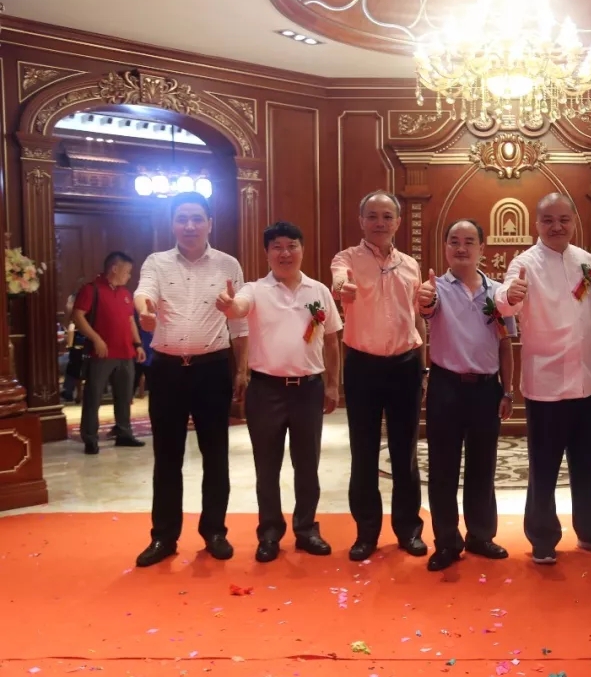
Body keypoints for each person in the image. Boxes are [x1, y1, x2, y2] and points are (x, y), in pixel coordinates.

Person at [495, 192, 591, 564]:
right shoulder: (524, 264)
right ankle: (542, 536)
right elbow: (505, 302)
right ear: (537, 224)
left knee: (587, 465)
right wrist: (510, 295)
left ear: (573, 222)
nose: (557, 227)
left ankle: (590, 530)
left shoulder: (587, 262)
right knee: (544, 467)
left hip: (589, 381)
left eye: (564, 219)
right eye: (548, 220)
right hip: (547, 386)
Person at [132, 192, 249, 568]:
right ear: (172, 223)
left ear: (210, 223)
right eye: (182, 218)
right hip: (167, 370)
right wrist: (145, 312)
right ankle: (164, 536)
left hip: (212, 369)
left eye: (197, 218)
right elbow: (143, 292)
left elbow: (239, 322)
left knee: (215, 455)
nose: (189, 225)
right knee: (167, 457)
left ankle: (214, 531)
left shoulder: (228, 264)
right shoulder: (157, 261)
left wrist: (242, 369)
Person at [217, 221, 342, 562]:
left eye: (291, 246)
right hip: (266, 391)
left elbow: (332, 340)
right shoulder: (255, 290)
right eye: (277, 247)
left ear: (302, 249)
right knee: (267, 467)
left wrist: (333, 384)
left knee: (308, 466)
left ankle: (306, 529)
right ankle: (270, 533)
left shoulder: (319, 291)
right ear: (267, 253)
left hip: (308, 390)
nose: (285, 253)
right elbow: (239, 308)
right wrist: (229, 306)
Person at [331, 190, 428, 562]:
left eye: (387, 216)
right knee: (364, 452)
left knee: (405, 454)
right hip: (363, 367)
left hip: (406, 366)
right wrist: (342, 288)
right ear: (361, 221)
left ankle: (409, 530)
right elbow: (339, 280)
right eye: (372, 216)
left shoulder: (410, 264)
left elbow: (417, 318)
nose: (380, 223)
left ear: (398, 222)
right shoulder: (347, 259)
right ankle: (366, 533)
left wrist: (423, 366)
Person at [418, 219, 516, 571]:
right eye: (454, 241)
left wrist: (508, 390)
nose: (461, 248)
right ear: (445, 247)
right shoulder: (436, 289)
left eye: (469, 241)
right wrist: (425, 300)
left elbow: (505, 344)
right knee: (443, 468)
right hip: (446, 387)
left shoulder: (498, 293)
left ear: (481, 248)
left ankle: (481, 535)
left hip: (486, 389)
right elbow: (426, 309)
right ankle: (446, 542)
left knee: (483, 466)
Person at [70, 252, 147, 454]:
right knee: (93, 396)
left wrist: (138, 344)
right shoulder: (92, 289)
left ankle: (124, 433)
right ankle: (90, 438)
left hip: (126, 352)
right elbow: (78, 316)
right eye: (127, 271)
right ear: (114, 268)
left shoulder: (125, 293)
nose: (129, 276)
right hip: (101, 353)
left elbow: (130, 321)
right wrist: (96, 339)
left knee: (124, 396)